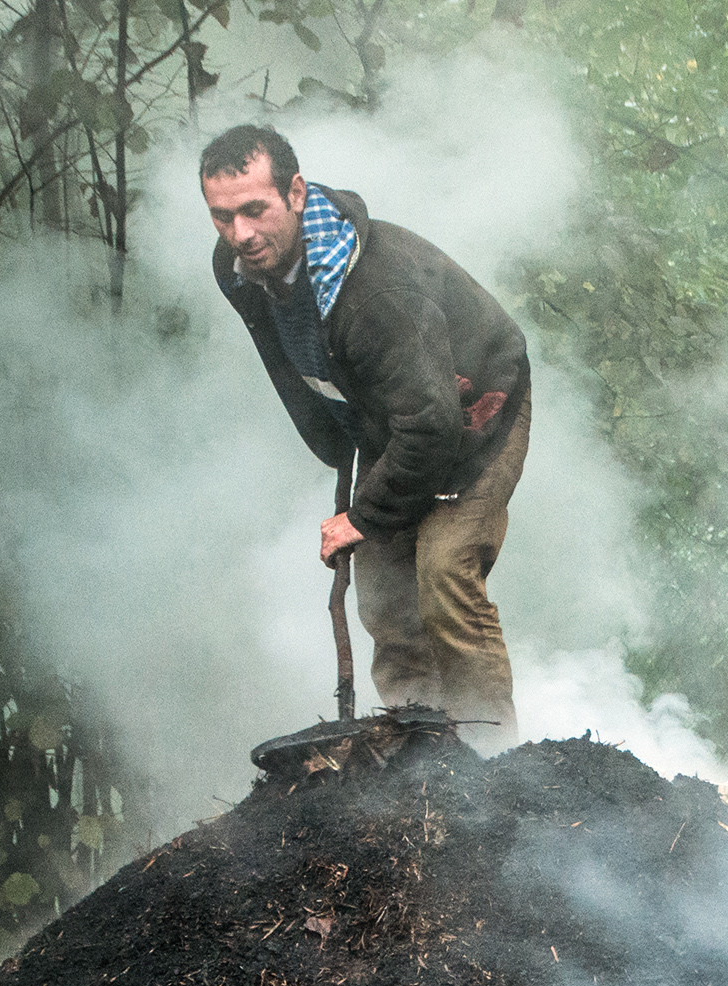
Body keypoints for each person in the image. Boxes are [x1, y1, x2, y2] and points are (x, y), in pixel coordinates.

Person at [200, 124, 531, 751]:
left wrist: (364, 515)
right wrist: (336, 443)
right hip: (395, 419)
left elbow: (433, 426)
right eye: (222, 217)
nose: (240, 234)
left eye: (254, 209)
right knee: (383, 601)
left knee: (443, 576)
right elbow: (288, 359)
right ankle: (427, 759)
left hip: (473, 414)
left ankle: (494, 765)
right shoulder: (238, 268)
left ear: (295, 194)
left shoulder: (378, 291)